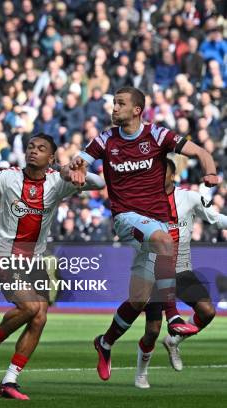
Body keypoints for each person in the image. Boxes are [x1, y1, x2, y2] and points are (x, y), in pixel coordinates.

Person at [68, 86, 219, 382]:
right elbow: (79, 162)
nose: (114, 108)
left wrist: (210, 171)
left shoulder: (157, 136)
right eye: (113, 102)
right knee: (164, 242)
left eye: (120, 103)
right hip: (126, 219)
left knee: (137, 300)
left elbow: (200, 151)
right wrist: (74, 170)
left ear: (137, 110)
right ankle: (173, 315)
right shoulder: (105, 140)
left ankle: (105, 342)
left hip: (154, 229)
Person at [0, 134, 105, 400]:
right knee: (29, 307)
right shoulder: (9, 177)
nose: (34, 152)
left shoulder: (57, 182)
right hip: (5, 255)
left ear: (51, 158)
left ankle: (9, 381)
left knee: (39, 316)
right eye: (31, 147)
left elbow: (99, 183)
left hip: (36, 259)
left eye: (41, 149)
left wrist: (75, 171)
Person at [134, 158, 227, 388]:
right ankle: (141, 373)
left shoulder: (189, 198)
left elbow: (214, 219)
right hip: (155, 273)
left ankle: (174, 340)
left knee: (207, 312)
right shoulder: (143, 201)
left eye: (161, 172)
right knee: (152, 330)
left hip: (182, 270)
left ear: (172, 176)